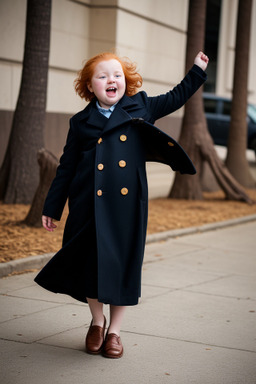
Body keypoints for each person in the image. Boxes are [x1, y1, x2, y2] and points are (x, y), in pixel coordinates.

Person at [35, 51, 209, 359]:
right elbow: (66, 166)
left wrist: (197, 71)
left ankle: (114, 332)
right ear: (90, 86)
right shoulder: (81, 122)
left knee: (123, 266)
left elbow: (175, 97)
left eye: (116, 75)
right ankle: (97, 322)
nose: (110, 80)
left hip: (126, 208)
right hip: (87, 205)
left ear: (125, 81)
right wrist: (52, 206)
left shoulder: (140, 105)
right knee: (91, 265)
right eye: (102, 76)